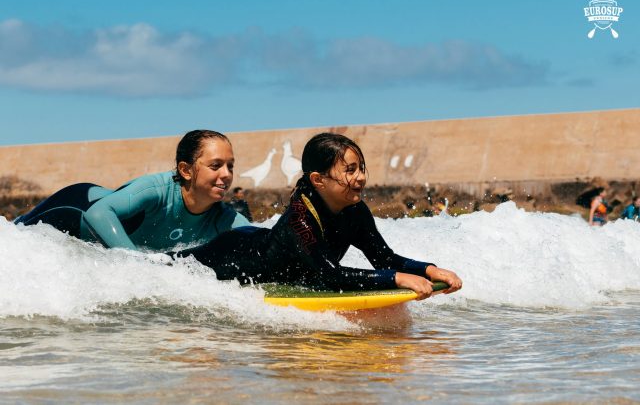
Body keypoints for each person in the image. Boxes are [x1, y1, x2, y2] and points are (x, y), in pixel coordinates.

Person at [172, 133, 462, 298]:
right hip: (231, 255)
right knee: (169, 266)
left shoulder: (355, 210)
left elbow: (383, 258)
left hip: (255, 240)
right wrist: (395, 279)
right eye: (350, 170)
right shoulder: (301, 218)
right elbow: (329, 275)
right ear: (318, 179)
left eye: (361, 168)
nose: (360, 177)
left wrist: (428, 270)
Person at [15, 130, 250, 251]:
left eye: (230, 166)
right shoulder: (156, 190)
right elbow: (98, 214)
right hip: (73, 210)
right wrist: (136, 266)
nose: (227, 174)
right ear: (186, 170)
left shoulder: (223, 218)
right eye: (215, 166)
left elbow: (260, 239)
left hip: (95, 238)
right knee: (13, 234)